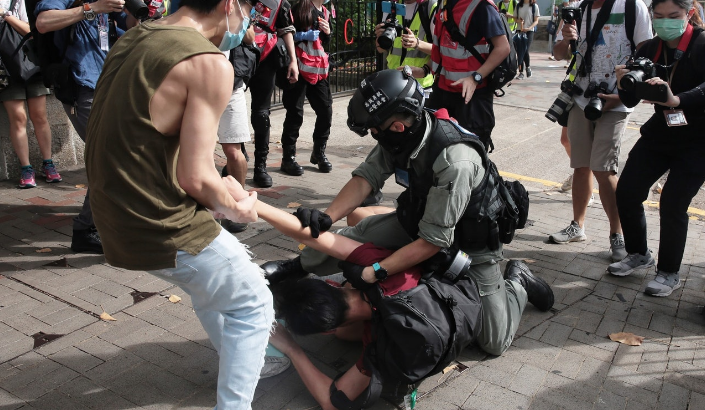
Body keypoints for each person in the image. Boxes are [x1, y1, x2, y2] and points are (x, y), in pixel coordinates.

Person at [263, 69, 554, 360]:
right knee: (351, 238)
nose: (374, 135)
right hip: (421, 222)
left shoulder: (455, 160)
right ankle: (297, 267)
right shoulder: (403, 133)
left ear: (397, 126)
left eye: (375, 129)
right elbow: (367, 176)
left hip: (471, 245)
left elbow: (433, 242)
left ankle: (518, 282)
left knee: (493, 341)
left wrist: (374, 271)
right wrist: (328, 216)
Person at [83, 0, 275, 407]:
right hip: (157, 221)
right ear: (228, 5)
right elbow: (195, 178)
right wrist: (235, 208)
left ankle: (247, 359)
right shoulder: (209, 62)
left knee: (215, 284)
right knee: (254, 301)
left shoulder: (136, 35)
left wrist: (220, 187)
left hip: (113, 214)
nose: (249, 24)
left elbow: (160, 142)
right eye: (250, 11)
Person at [609, 0, 705, 297]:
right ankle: (639, 253)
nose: (665, 23)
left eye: (673, 16)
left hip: (698, 139)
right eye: (659, 16)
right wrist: (623, 82)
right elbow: (631, 101)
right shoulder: (649, 48)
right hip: (661, 132)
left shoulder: (701, 44)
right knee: (627, 192)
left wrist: (676, 99)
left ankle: (669, 272)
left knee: (673, 203)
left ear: (689, 13)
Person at [550, 0, 652, 261]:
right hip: (581, 98)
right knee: (581, 165)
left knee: (603, 168)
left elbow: (646, 54)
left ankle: (617, 234)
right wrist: (565, 38)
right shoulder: (577, 8)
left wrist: (624, 95)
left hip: (616, 101)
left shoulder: (631, 6)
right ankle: (577, 226)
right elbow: (560, 54)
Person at [35, 0, 128, 253]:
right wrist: (92, 8)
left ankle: (98, 225)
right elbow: (43, 23)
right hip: (82, 89)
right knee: (109, 156)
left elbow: (125, 31)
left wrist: (142, 14)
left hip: (110, 83)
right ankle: (87, 228)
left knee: (112, 156)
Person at [421, 0, 510, 152]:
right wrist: (424, 70)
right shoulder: (444, 5)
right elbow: (443, 49)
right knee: (435, 149)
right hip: (443, 92)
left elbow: (503, 47)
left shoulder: (481, 6)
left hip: (472, 97)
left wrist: (475, 78)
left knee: (470, 153)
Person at [0, 0, 61, 189]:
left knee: (39, 116)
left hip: (30, 63)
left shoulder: (18, 1)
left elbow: (30, 31)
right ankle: (26, 168)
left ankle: (48, 162)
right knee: (18, 118)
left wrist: (5, 15)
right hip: (5, 70)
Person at [279, 0, 333, 177]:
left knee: (325, 111)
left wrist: (327, 32)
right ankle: (288, 158)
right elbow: (283, 32)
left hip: (317, 68)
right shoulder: (300, 7)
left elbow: (323, 42)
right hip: (298, 67)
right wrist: (302, 35)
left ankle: (319, 153)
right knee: (295, 113)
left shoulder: (325, 11)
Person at [248, 0, 298, 188]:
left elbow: (286, 30)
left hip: (265, 58)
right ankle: (235, 155)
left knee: (261, 113)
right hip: (237, 55)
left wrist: (293, 61)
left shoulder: (280, 4)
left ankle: (260, 166)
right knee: (229, 106)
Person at [218, 26, 258, 234]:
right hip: (197, 83)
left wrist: (238, 21)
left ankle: (239, 204)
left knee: (235, 152)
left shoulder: (235, 10)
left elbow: (250, 38)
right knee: (198, 150)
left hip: (232, 85)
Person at [375, 0, 437, 89]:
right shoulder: (392, 5)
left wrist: (417, 43)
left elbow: (442, 50)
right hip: (394, 83)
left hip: (420, 86)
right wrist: (380, 37)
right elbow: (381, 49)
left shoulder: (430, 7)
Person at [514, 0, 539, 79]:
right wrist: (520, 21)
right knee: (519, 51)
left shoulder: (534, 6)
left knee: (525, 50)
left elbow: (536, 21)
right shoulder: (518, 5)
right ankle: (521, 72)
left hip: (529, 31)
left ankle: (527, 67)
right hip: (519, 30)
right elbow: (515, 19)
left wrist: (529, 28)